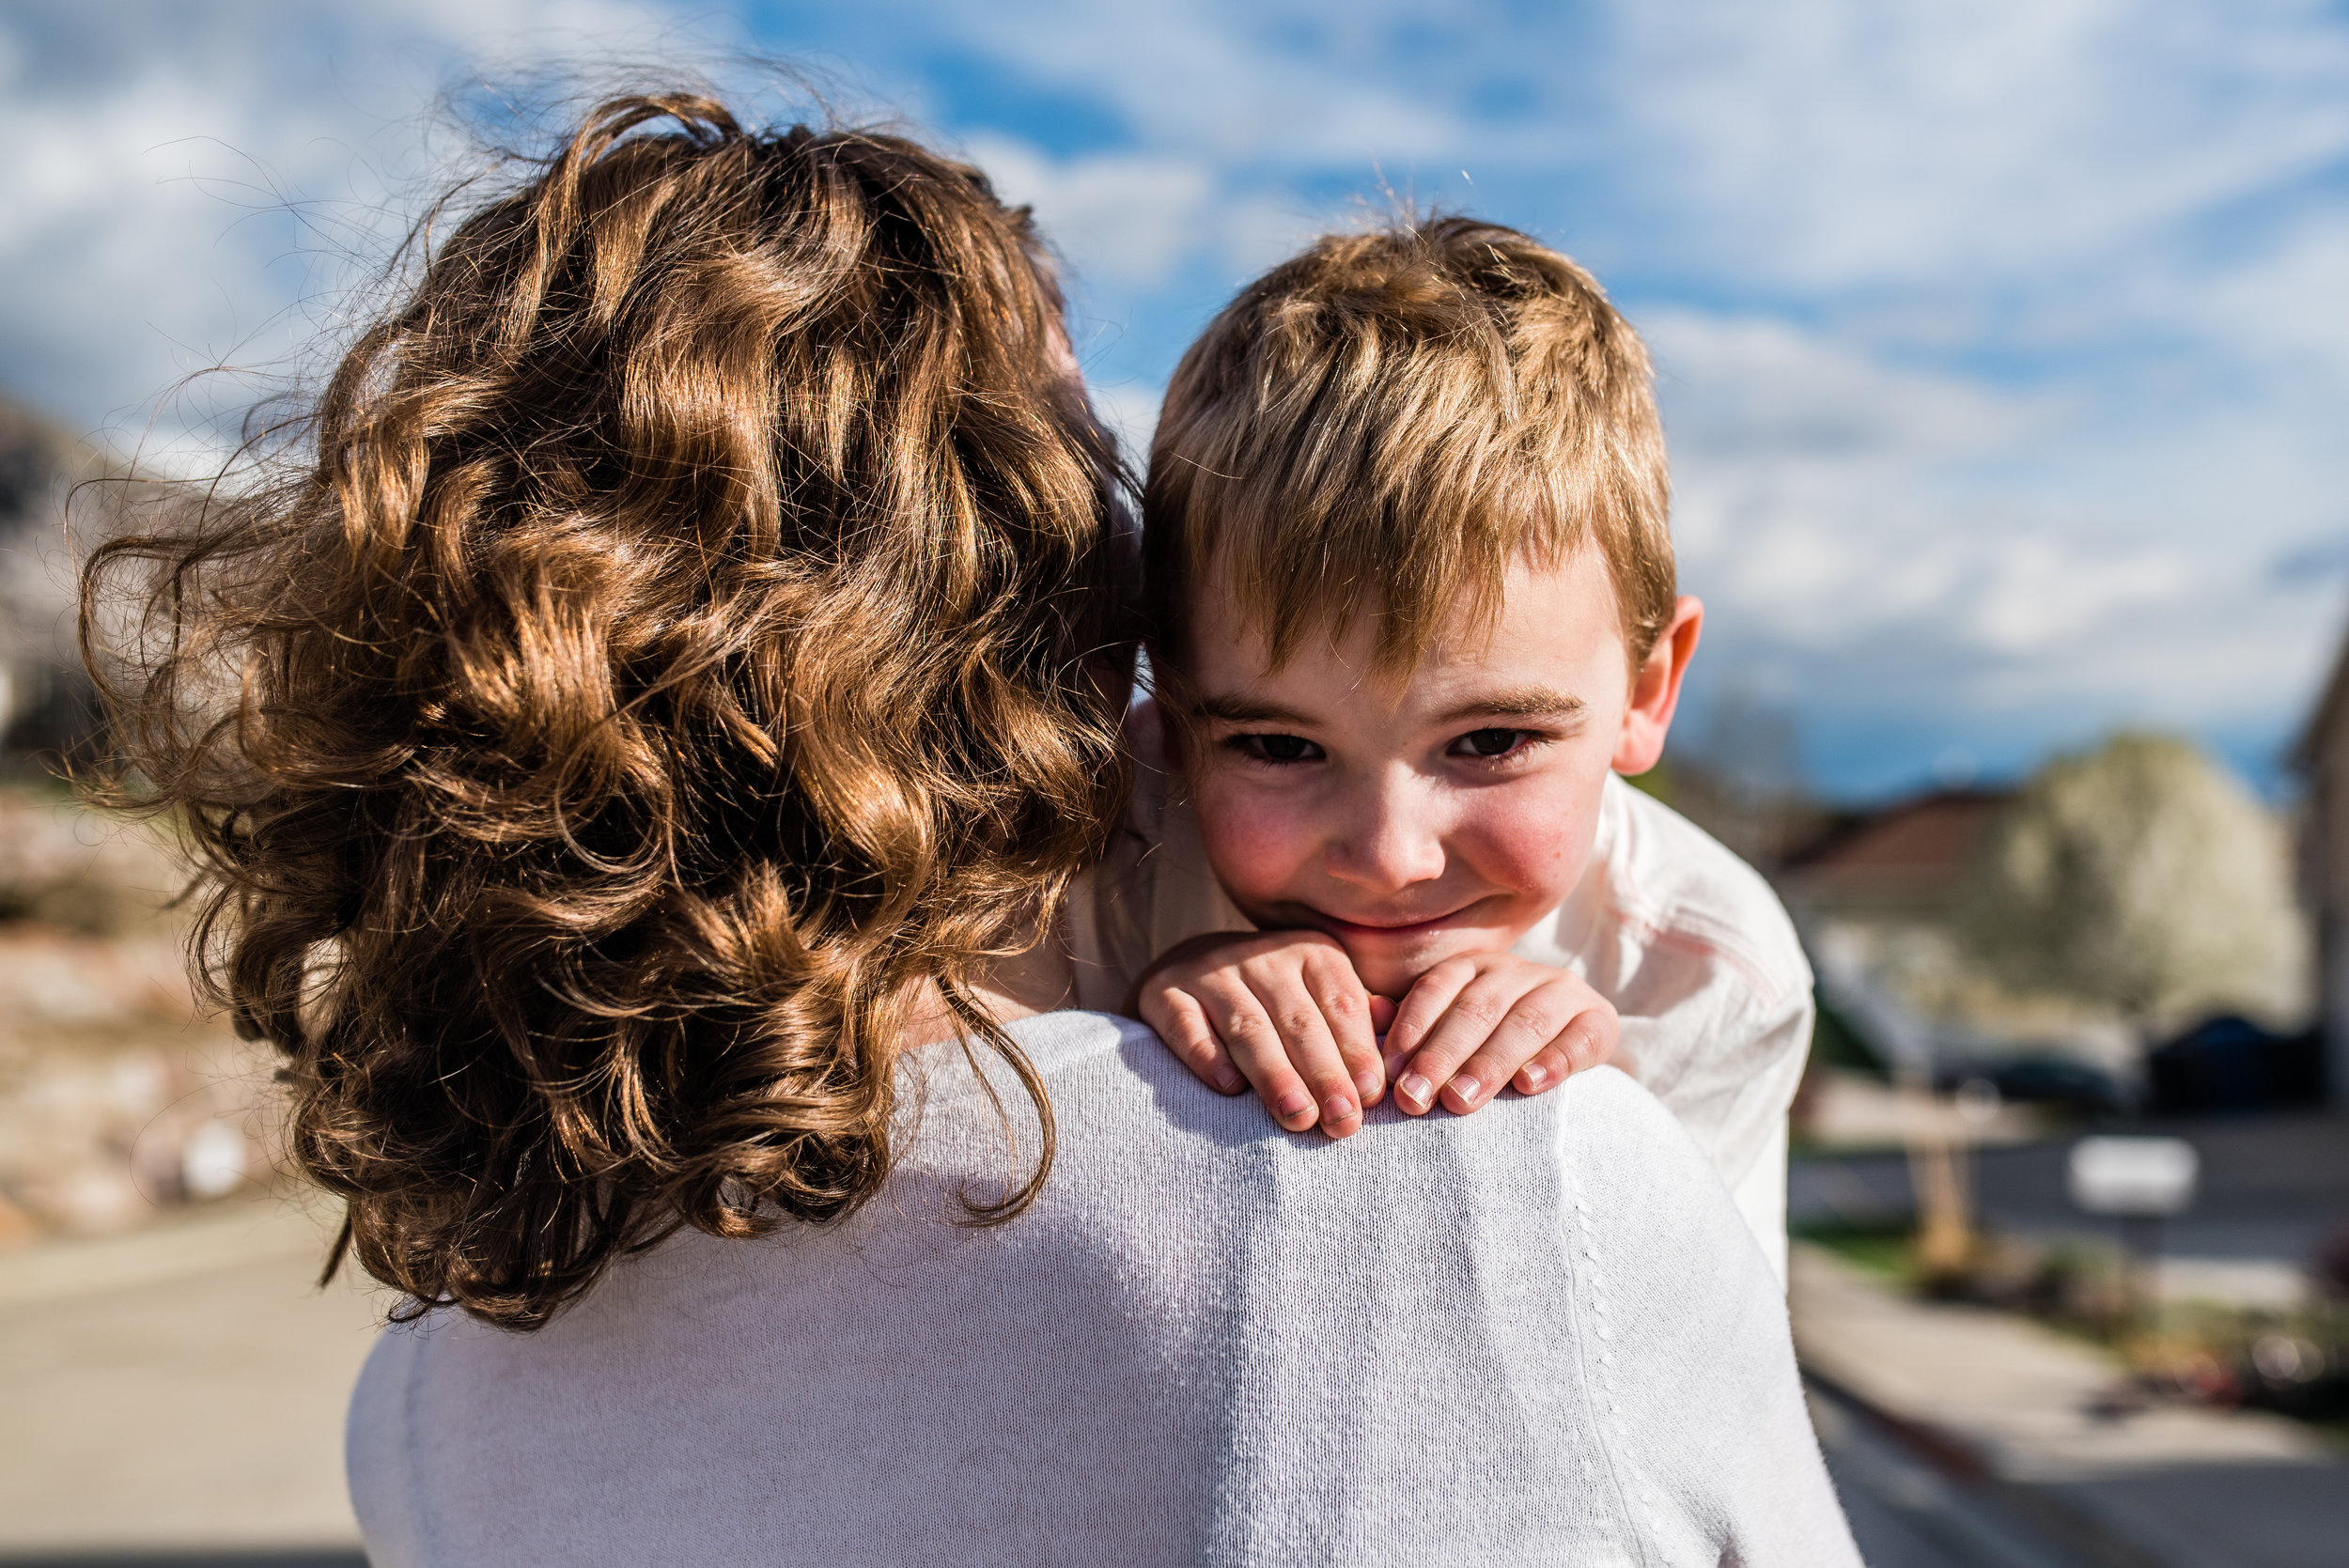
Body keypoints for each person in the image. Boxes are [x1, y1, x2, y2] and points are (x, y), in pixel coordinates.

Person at [84, 92, 1859, 1564]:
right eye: (1264, 732)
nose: (1387, 849)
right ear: (1063, 652)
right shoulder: (1487, 1191)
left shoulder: (432, 1391)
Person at [1080, 221, 1814, 1278]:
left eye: (1489, 739)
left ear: (1646, 691)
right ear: (1170, 697)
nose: (1389, 856)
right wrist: (1139, 1040)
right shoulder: (1090, 865)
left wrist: (1607, 1119)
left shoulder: (1699, 974)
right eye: (1277, 745)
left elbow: (1689, 1385)